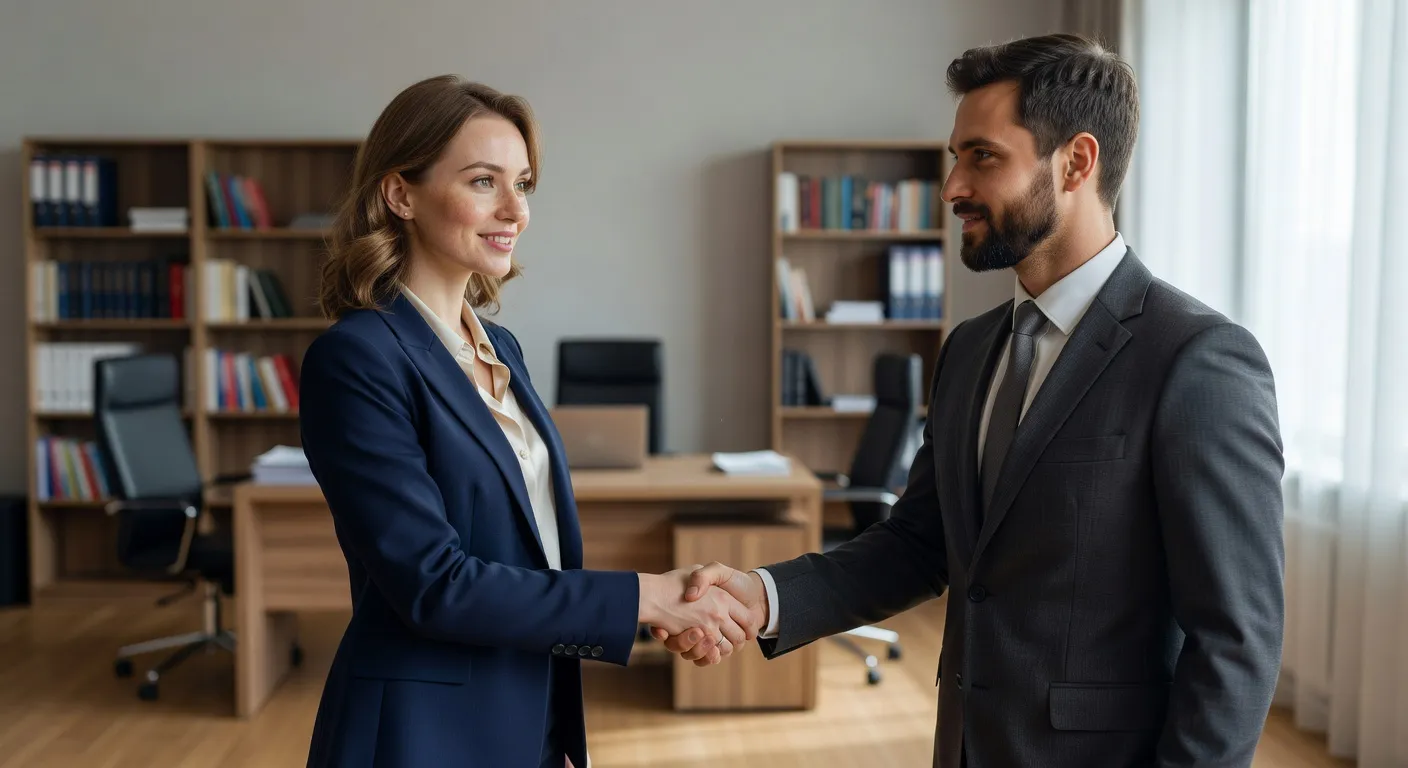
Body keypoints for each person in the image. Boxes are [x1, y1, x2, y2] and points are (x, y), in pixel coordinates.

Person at [657, 33, 1286, 768]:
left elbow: (1236, 641)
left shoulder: (1198, 360)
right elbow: (921, 542)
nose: (952, 187)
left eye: (982, 157)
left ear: (1076, 162)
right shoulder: (969, 349)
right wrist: (764, 596)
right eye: (956, 156)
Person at [298, 75, 753, 768]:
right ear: (400, 194)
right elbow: (434, 585)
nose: (516, 210)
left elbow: (529, 557)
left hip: (527, 713)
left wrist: (556, 731)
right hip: (423, 734)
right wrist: (648, 598)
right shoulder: (358, 358)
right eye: (484, 182)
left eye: (524, 184)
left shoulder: (500, 347)